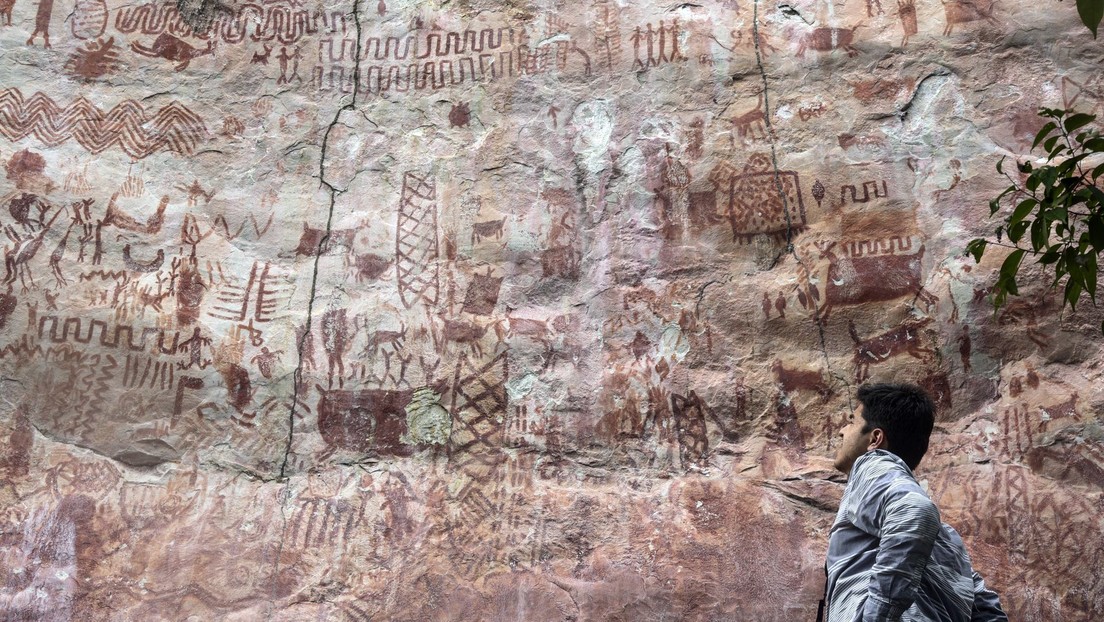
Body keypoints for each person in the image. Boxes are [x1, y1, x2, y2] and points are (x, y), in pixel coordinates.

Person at [819, 383, 1007, 622]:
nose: (841, 432)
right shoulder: (945, 538)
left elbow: (915, 511)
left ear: (875, 438)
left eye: (851, 422)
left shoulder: (873, 465)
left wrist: (877, 617)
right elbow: (987, 609)